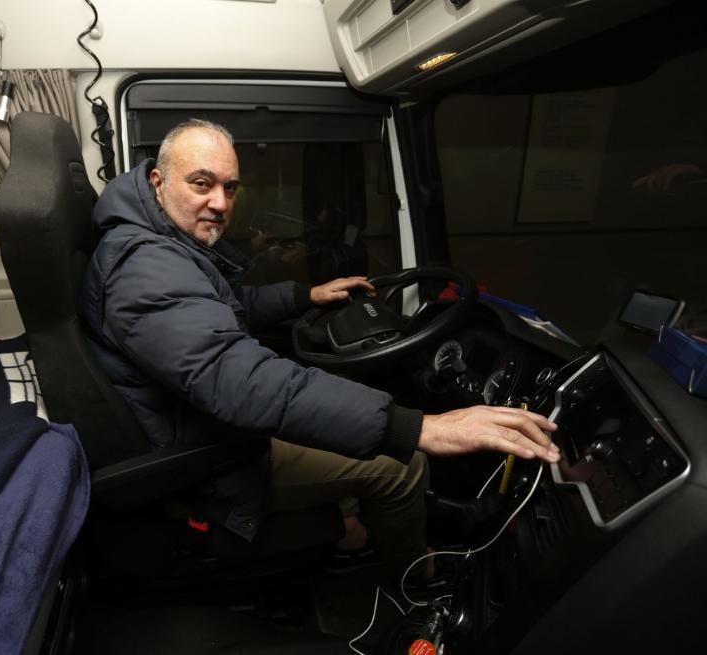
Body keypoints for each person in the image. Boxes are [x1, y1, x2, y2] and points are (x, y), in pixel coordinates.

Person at [79, 119, 560, 574]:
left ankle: (354, 522)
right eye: (202, 184)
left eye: (230, 187)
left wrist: (303, 295)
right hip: (212, 458)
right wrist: (420, 429)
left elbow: (221, 305)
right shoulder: (144, 268)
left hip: (204, 426)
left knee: (339, 410)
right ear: (160, 182)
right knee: (405, 466)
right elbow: (237, 379)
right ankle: (415, 575)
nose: (222, 203)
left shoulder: (158, 243)